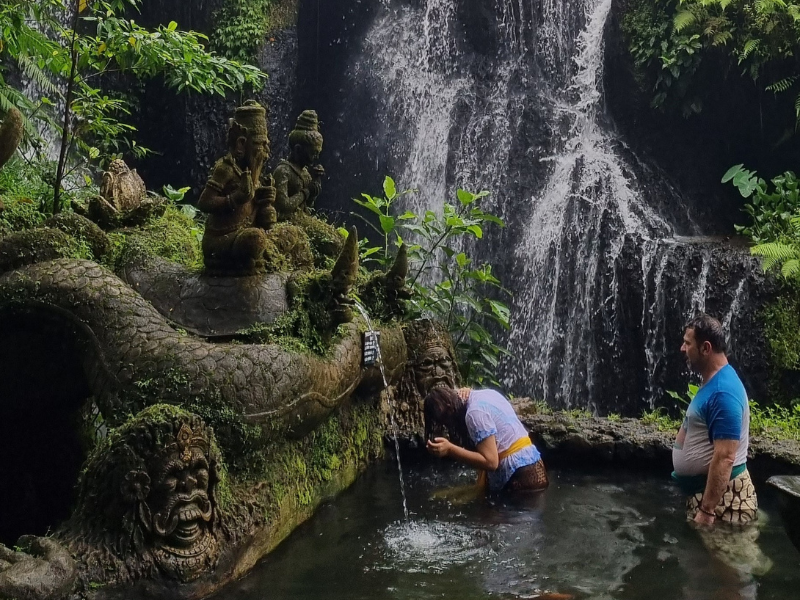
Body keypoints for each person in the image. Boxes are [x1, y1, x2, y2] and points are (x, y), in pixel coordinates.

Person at [672, 314, 758, 525]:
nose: (682, 349)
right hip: (716, 498)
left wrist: (707, 510)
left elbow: (726, 456)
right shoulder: (715, 381)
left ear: (706, 348)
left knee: (726, 548)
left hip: (724, 504)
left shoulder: (723, 392)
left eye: (688, 343)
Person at [424, 386, 548, 493]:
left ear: (450, 410)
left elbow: (491, 462)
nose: (448, 426)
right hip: (534, 466)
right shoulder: (486, 394)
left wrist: (450, 450)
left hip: (520, 478)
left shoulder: (474, 414)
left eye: (445, 422)